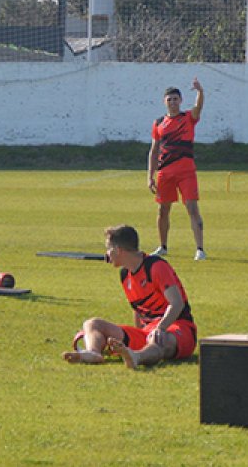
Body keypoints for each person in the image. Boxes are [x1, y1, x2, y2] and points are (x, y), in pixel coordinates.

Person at [62, 224, 197, 369]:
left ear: (118, 250)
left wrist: (161, 328)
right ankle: (93, 353)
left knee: (158, 340)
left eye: (109, 248)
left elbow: (177, 303)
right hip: (148, 331)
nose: (107, 254)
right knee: (92, 324)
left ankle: (136, 357)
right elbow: (138, 310)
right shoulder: (125, 275)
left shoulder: (156, 266)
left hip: (178, 327)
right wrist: (137, 334)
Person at [148, 78, 206, 261]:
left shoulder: (188, 118)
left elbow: (198, 108)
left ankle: (200, 249)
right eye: (169, 99)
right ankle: (163, 246)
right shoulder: (158, 123)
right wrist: (150, 176)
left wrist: (200, 92)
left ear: (180, 101)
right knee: (163, 210)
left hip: (186, 171)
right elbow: (154, 150)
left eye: (175, 99)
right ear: (164, 101)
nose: (172, 102)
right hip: (165, 172)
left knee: (191, 207)